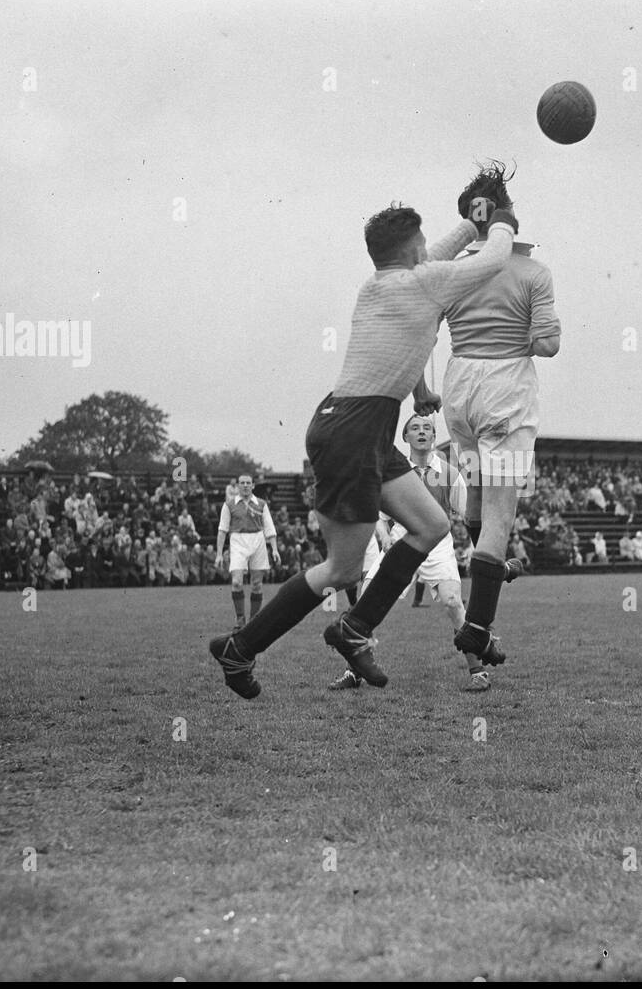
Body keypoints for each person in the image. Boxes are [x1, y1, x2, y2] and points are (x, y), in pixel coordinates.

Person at [208, 191, 518, 699]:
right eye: (422, 244)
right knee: (342, 568)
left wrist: (469, 220)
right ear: (413, 253)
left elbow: (435, 256)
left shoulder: (380, 284)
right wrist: (501, 220)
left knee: (432, 525)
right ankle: (240, 648)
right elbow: (495, 258)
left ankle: (352, 629)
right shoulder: (422, 281)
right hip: (354, 431)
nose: (428, 249)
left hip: (358, 425)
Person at [438, 163, 560, 667]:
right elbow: (547, 345)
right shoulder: (532, 271)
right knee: (500, 516)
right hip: (505, 388)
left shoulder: (453, 269)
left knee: (478, 489)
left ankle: (487, 567)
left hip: (458, 388)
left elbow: (426, 325)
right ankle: (478, 628)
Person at [328, 414, 488, 691]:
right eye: (415, 428)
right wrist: (383, 535)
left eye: (427, 428)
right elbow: (377, 514)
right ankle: (354, 671)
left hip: (437, 543)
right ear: (405, 437)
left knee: (452, 602)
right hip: (402, 541)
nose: (422, 432)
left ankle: (478, 672)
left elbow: (469, 514)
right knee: (366, 599)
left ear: (434, 436)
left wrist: (479, 544)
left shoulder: (449, 473)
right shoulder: (395, 472)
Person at [215, 474, 280, 629]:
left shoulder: (262, 504)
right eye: (242, 483)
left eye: (248, 483)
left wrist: (275, 549)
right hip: (237, 540)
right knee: (237, 582)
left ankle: (253, 621)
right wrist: (218, 554)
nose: (245, 485)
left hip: (258, 540)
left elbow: (270, 529)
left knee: (257, 584)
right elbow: (222, 530)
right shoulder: (229, 505)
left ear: (253, 485)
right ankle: (240, 619)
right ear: (238, 486)